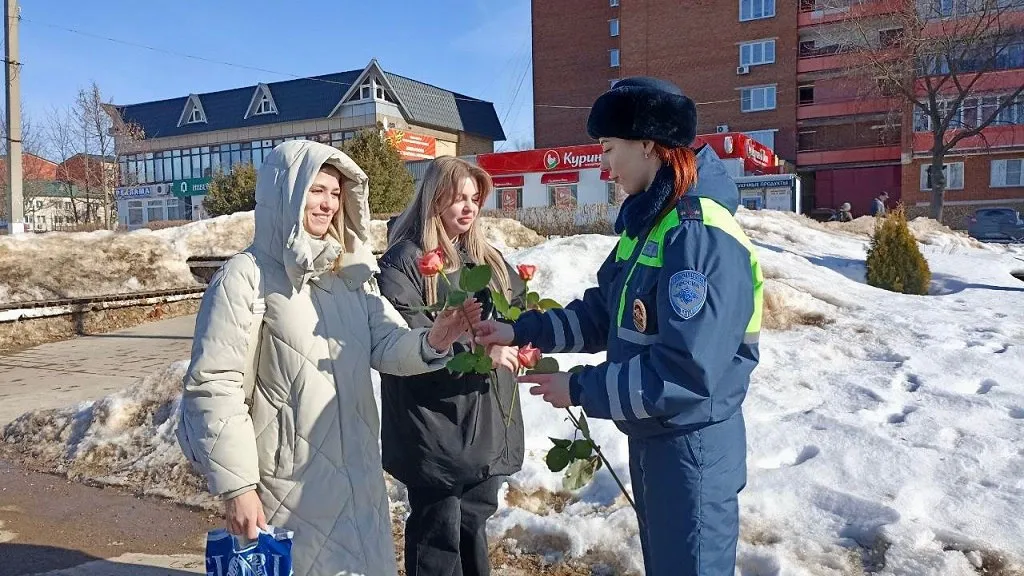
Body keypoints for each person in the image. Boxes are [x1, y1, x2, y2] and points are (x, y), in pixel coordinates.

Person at [476, 77, 764, 576]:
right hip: (659, 438)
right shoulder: (653, 223)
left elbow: (686, 372)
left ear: (648, 145)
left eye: (609, 149)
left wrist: (580, 387)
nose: (604, 164)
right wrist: (522, 331)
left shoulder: (696, 235)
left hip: (690, 444)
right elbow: (603, 314)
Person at [176, 141, 481, 576]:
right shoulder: (246, 277)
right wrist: (238, 487)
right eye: (316, 190)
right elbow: (214, 385)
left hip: (358, 481)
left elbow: (386, 342)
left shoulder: (349, 276)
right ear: (286, 192)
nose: (327, 204)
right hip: (289, 488)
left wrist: (433, 340)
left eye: (336, 193)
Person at [376, 156, 527, 576]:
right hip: (434, 420)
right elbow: (403, 338)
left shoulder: (488, 259)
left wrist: (512, 337)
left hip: (485, 418)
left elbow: (517, 312)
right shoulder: (404, 261)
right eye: (457, 197)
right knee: (437, 528)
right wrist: (477, 350)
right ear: (433, 198)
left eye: (474, 198)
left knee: (473, 520)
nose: (468, 207)